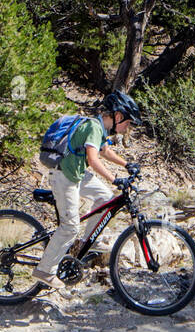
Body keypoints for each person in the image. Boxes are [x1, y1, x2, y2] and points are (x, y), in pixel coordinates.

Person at [32, 91, 141, 288]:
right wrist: (115, 179)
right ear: (117, 116)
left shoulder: (100, 128)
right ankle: (45, 270)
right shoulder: (93, 126)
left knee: (106, 197)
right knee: (70, 226)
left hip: (76, 173)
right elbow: (93, 159)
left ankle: (85, 242)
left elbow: (104, 151)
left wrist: (127, 165)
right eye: (127, 122)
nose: (127, 127)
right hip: (64, 176)